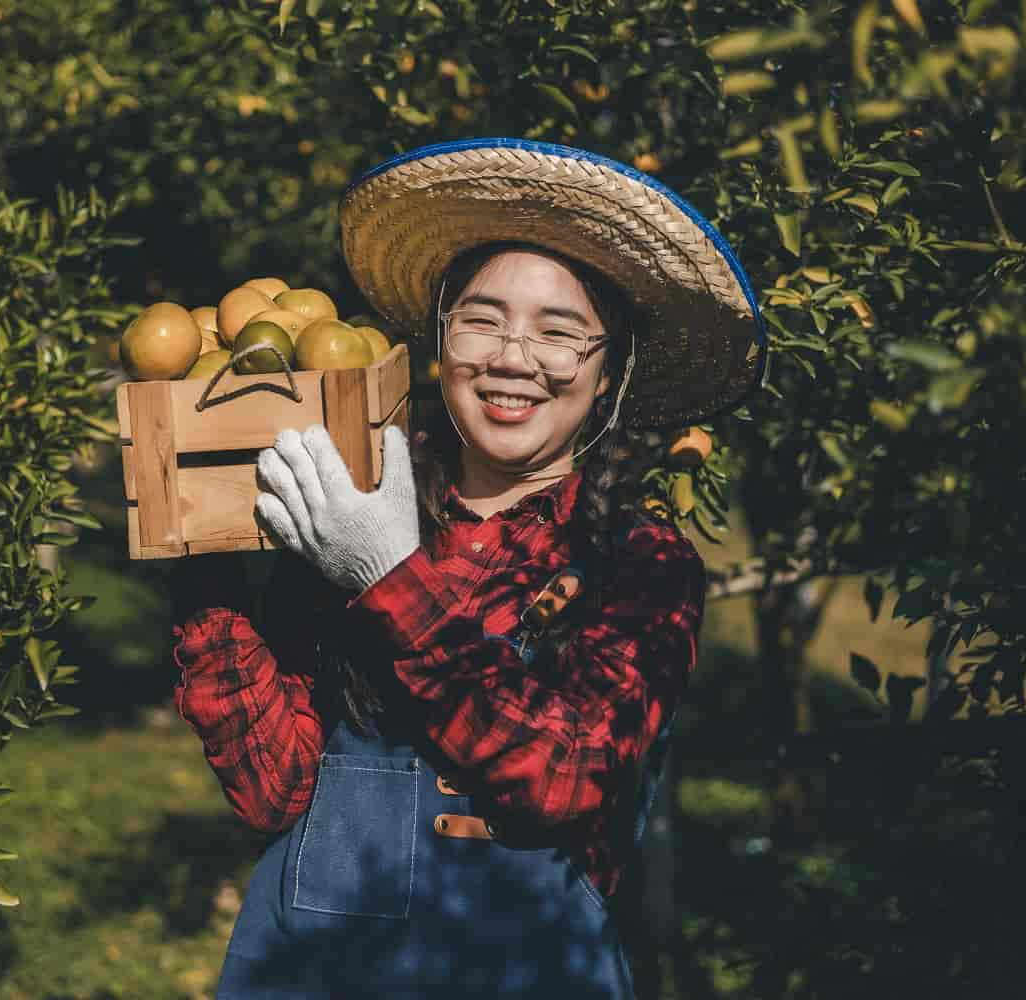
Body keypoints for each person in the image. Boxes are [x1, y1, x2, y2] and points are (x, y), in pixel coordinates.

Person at [168, 138, 765, 999]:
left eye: (560, 333)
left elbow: (564, 776)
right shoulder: (347, 513)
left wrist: (387, 576)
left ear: (607, 376)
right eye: (482, 319)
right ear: (441, 340)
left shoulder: (641, 567)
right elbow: (272, 793)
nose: (513, 358)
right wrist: (204, 550)